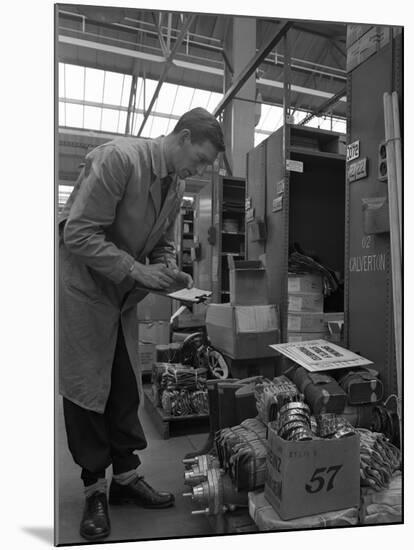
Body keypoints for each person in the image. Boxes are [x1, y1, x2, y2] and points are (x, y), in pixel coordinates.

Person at [58, 107, 225, 541]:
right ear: (183, 136)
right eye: (202, 157)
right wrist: (136, 270)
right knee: (87, 391)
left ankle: (126, 480)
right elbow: (76, 233)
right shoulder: (117, 160)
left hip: (122, 300)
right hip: (88, 293)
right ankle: (94, 488)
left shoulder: (176, 184)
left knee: (123, 386)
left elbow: (163, 244)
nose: (202, 168)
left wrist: (170, 271)